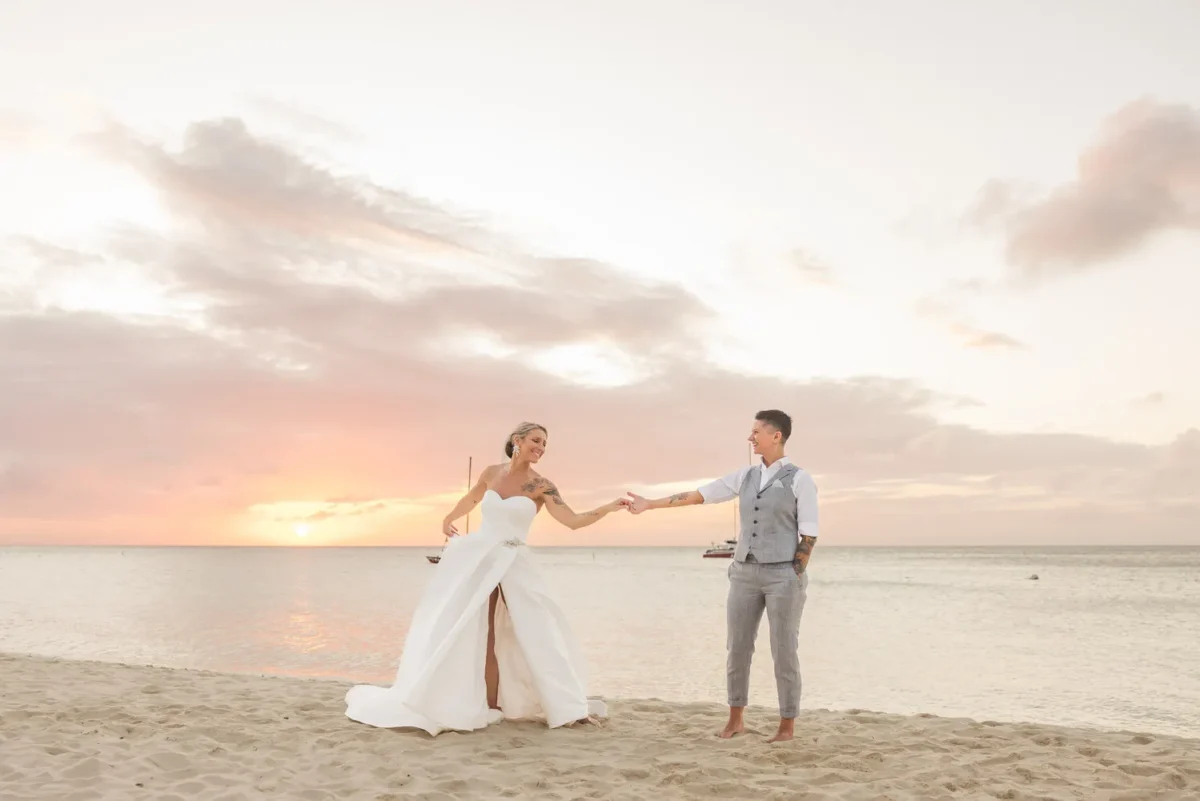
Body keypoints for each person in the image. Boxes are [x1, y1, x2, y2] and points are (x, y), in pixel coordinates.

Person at [345, 422, 628, 736]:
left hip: (514, 561)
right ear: (516, 440)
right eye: (536, 440)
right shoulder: (492, 472)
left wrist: (607, 508)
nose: (541, 448)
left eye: (545, 444)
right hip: (480, 557)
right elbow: (472, 500)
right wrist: (448, 519)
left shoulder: (542, 485)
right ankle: (489, 703)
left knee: (539, 628)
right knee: (482, 631)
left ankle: (568, 706)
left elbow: (573, 521)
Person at [625, 409, 818, 743]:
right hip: (743, 572)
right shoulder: (743, 476)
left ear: (776, 435)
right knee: (738, 648)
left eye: (756, 431)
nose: (750, 437)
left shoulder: (800, 479)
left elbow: (810, 534)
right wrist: (650, 504)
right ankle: (735, 720)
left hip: (782, 575)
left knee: (784, 650)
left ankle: (786, 727)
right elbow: (698, 495)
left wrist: (794, 572)